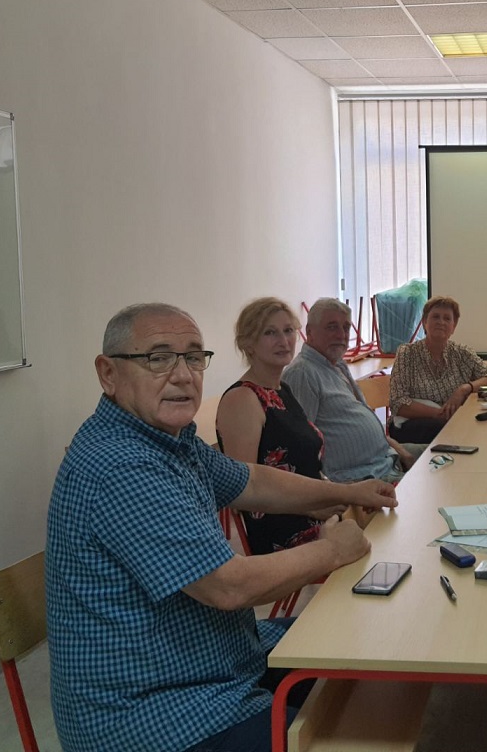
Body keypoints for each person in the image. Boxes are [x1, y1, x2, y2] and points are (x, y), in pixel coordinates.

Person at [46, 303, 397, 752]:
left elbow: (252, 481)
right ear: (108, 374)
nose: (182, 375)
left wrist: (347, 492)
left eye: (194, 357)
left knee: (358, 644)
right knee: (351, 723)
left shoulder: (169, 440)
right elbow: (228, 586)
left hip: (214, 659)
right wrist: (334, 549)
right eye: (158, 357)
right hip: (159, 713)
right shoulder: (122, 465)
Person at [217, 298, 347, 554]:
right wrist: (313, 506)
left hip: (318, 516)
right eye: (270, 333)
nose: (284, 341)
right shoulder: (242, 399)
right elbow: (243, 492)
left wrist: (335, 494)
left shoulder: (282, 390)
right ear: (247, 343)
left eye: (288, 330)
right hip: (284, 533)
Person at [282, 298, 418, 483]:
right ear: (310, 332)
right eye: (332, 327)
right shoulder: (303, 373)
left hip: (387, 459)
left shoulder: (337, 365)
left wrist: (403, 454)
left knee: (449, 453)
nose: (341, 335)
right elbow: (301, 451)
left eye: (346, 327)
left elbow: (369, 424)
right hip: (362, 478)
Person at [388, 296, 487, 444]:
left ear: (454, 326)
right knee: (458, 430)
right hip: (410, 425)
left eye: (447, 318)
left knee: (486, 426)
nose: (441, 322)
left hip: (451, 423)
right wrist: (442, 414)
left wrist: (464, 389)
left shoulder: (462, 353)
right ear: (424, 322)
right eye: (435, 317)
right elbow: (398, 403)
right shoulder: (407, 353)